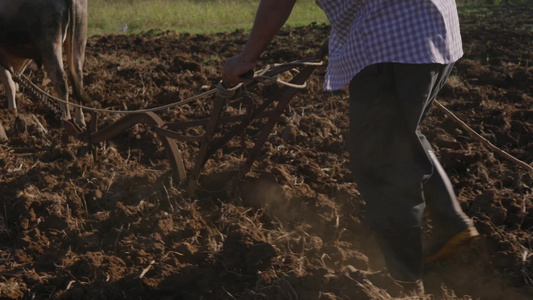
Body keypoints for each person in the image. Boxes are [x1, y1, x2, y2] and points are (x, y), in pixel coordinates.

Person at [222, 0, 479, 294]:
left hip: (392, 36)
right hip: (431, 27)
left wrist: (246, 57)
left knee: (380, 158)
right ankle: (451, 223)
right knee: (400, 139)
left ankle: (402, 282)